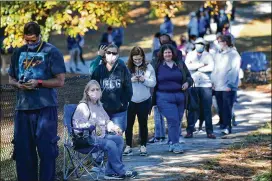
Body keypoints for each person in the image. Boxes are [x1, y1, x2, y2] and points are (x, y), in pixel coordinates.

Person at [8, 22, 66, 181]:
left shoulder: (51, 51)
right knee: (23, 153)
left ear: (40, 36)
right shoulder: (18, 52)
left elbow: (60, 81)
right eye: (27, 40)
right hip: (23, 108)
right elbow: (11, 78)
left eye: (33, 40)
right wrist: (17, 84)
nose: (30, 43)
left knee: (47, 152)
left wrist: (39, 83)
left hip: (45, 108)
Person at [72, 80, 137, 180]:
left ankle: (110, 172)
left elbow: (107, 121)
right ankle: (121, 171)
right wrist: (91, 125)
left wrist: (115, 127)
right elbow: (77, 125)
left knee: (119, 140)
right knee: (110, 144)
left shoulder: (99, 105)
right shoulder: (83, 106)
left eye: (97, 89)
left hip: (101, 135)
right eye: (92, 90)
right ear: (87, 92)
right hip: (88, 138)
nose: (95, 92)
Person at [152, 44, 193, 153]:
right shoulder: (157, 65)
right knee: (173, 120)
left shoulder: (179, 64)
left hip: (180, 96)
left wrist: (187, 83)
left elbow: (189, 77)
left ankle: (171, 141)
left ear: (173, 53)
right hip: (164, 96)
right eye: (165, 52)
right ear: (162, 54)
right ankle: (176, 144)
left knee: (177, 121)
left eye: (169, 52)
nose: (168, 54)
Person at [148, 33, 182, 144]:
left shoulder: (178, 57)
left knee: (175, 119)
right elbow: (152, 70)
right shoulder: (156, 57)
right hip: (162, 92)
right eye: (161, 41)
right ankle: (161, 136)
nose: (167, 53)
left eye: (165, 40)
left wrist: (187, 83)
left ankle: (173, 138)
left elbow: (185, 75)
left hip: (178, 94)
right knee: (163, 116)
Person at [91, 44, 132, 133]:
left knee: (117, 134)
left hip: (119, 111)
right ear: (105, 54)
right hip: (102, 111)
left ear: (117, 55)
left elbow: (128, 88)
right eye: (108, 53)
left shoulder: (122, 68)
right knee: (105, 137)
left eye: (114, 53)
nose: (111, 55)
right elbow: (92, 86)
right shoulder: (99, 69)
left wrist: (123, 102)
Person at [123, 47, 156, 156]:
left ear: (142, 57)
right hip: (130, 101)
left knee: (143, 124)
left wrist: (144, 80)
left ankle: (143, 146)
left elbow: (153, 83)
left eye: (139, 59)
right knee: (128, 125)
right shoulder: (126, 67)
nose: (137, 61)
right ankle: (128, 146)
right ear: (131, 58)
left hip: (144, 100)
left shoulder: (148, 67)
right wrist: (130, 80)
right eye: (135, 59)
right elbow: (121, 83)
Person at [184, 38, 216, 139]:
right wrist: (201, 65)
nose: (200, 45)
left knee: (207, 109)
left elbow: (211, 67)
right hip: (193, 85)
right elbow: (187, 67)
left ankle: (209, 131)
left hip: (206, 85)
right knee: (192, 108)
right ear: (195, 44)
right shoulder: (190, 54)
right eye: (198, 44)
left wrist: (196, 67)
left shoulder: (208, 55)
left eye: (202, 44)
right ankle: (190, 131)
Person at [211, 35, 241, 135]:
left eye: (219, 42)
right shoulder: (218, 54)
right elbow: (215, 69)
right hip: (218, 85)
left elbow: (234, 70)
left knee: (227, 107)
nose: (218, 44)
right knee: (220, 106)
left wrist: (230, 84)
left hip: (228, 86)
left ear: (225, 42)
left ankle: (228, 126)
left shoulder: (234, 54)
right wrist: (213, 82)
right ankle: (223, 124)